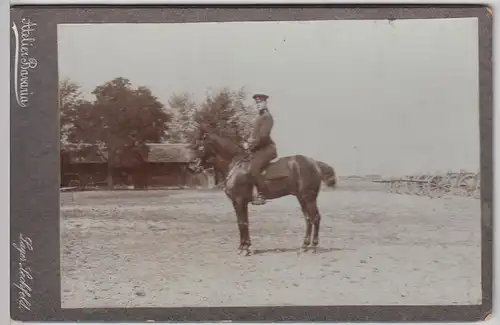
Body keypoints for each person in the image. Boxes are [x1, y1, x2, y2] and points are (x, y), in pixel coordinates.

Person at [246, 94, 278, 205]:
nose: (258, 105)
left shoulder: (267, 117)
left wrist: (251, 145)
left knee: (254, 168)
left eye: (260, 103)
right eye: (257, 103)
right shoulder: (259, 118)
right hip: (259, 149)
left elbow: (263, 136)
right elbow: (254, 135)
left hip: (267, 149)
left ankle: (262, 194)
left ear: (265, 103)